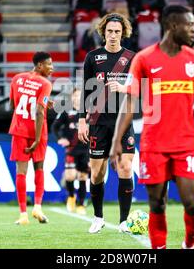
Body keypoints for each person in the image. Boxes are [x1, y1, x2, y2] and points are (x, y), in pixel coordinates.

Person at [110, 5, 194, 249]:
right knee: (157, 204)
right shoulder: (144, 59)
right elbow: (130, 102)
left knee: (192, 203)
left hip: (186, 146)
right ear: (172, 26)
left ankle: (188, 246)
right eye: (189, 25)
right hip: (154, 146)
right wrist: (117, 141)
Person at [78, 13, 136, 234]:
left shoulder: (131, 58)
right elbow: (85, 90)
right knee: (97, 173)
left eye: (117, 32)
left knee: (125, 167)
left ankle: (123, 222)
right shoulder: (93, 57)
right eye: (110, 31)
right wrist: (81, 120)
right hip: (98, 122)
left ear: (123, 33)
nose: (113, 35)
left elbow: (142, 89)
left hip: (122, 122)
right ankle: (98, 217)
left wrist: (123, 88)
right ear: (104, 32)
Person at [9, 52, 54, 225]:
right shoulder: (45, 83)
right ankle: (37, 206)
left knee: (21, 171)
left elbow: (12, 105)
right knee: (39, 168)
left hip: (19, 129)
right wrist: (36, 139)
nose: (52, 68)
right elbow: (39, 111)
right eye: (49, 64)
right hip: (37, 132)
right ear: (40, 65)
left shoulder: (17, 78)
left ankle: (23, 214)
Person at [52, 89, 90, 215]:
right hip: (71, 149)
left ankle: (81, 204)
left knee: (82, 177)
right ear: (72, 97)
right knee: (70, 175)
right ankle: (71, 197)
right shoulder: (66, 111)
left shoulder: (89, 111)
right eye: (75, 95)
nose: (77, 98)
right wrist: (60, 138)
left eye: (80, 95)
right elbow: (55, 126)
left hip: (85, 148)